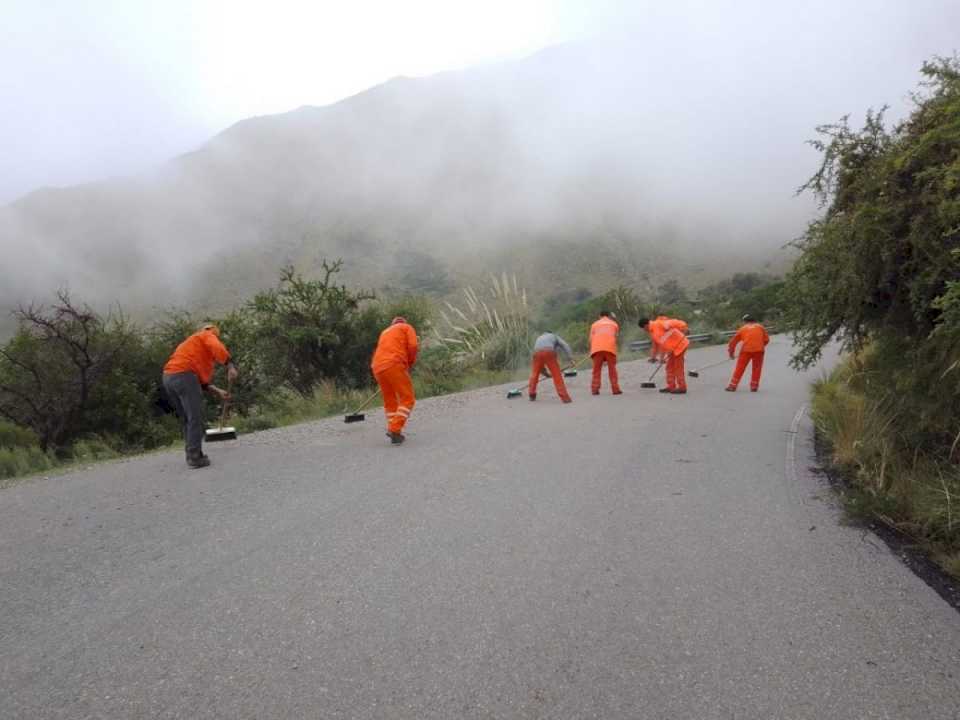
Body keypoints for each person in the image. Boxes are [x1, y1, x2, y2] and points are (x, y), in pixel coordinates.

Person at [162, 324, 238, 468]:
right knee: (195, 417)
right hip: (183, 376)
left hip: (168, 377)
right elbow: (217, 348)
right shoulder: (207, 335)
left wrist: (218, 391)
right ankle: (194, 457)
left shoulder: (191, 344)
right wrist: (230, 365)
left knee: (187, 418)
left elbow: (200, 381)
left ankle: (192, 453)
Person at [371, 316, 418, 445]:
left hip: (377, 367)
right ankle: (395, 428)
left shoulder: (385, 332)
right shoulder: (407, 327)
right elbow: (413, 346)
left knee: (390, 400)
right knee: (407, 399)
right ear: (403, 323)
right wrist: (409, 362)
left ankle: (394, 430)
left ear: (392, 324)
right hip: (394, 363)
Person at [640, 315, 690, 394]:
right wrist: (657, 357)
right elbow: (658, 345)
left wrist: (684, 327)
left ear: (645, 325)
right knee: (669, 367)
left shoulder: (659, 324)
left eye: (643, 329)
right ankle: (671, 386)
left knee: (677, 367)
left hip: (680, 345)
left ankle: (682, 387)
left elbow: (675, 322)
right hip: (672, 349)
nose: (643, 330)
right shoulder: (653, 332)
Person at [726, 314, 770, 392]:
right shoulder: (760, 327)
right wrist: (760, 345)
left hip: (745, 351)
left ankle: (732, 386)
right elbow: (766, 340)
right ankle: (754, 387)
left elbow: (733, 342)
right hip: (759, 351)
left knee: (740, 368)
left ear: (745, 321)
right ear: (754, 320)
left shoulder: (743, 329)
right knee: (757, 368)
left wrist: (731, 354)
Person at [529, 331, 574, 403]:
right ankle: (565, 398)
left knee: (534, 374)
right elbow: (565, 345)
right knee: (557, 375)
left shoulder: (539, 338)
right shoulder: (554, 336)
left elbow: (540, 369)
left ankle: (531, 394)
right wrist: (571, 359)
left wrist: (547, 374)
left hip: (536, 353)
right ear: (550, 333)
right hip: (549, 352)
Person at [589, 310, 622, 395]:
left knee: (596, 370)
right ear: (609, 316)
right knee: (612, 369)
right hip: (610, 348)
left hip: (596, 348)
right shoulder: (614, 324)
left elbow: (591, 339)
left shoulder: (594, 324)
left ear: (599, 316)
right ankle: (615, 389)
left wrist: (593, 348)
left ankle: (595, 389)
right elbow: (616, 336)